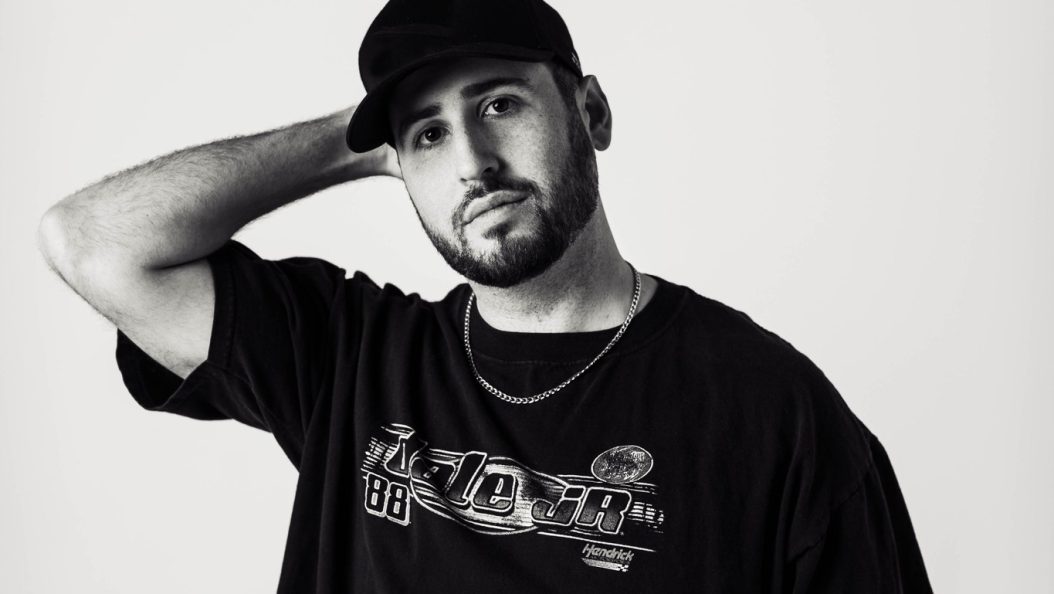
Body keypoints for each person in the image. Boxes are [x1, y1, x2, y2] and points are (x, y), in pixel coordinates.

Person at [36, 0, 933, 591]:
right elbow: (92, 242)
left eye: (499, 104)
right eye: (428, 135)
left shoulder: (773, 411)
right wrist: (353, 138)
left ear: (590, 113)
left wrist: (412, 122)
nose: (471, 162)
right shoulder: (348, 360)